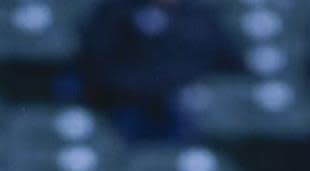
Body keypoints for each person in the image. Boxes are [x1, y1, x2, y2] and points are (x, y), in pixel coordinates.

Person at [76, 0, 242, 140]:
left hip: (187, 109)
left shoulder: (200, 18)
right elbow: (98, 67)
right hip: (126, 107)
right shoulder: (115, 14)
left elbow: (231, 65)